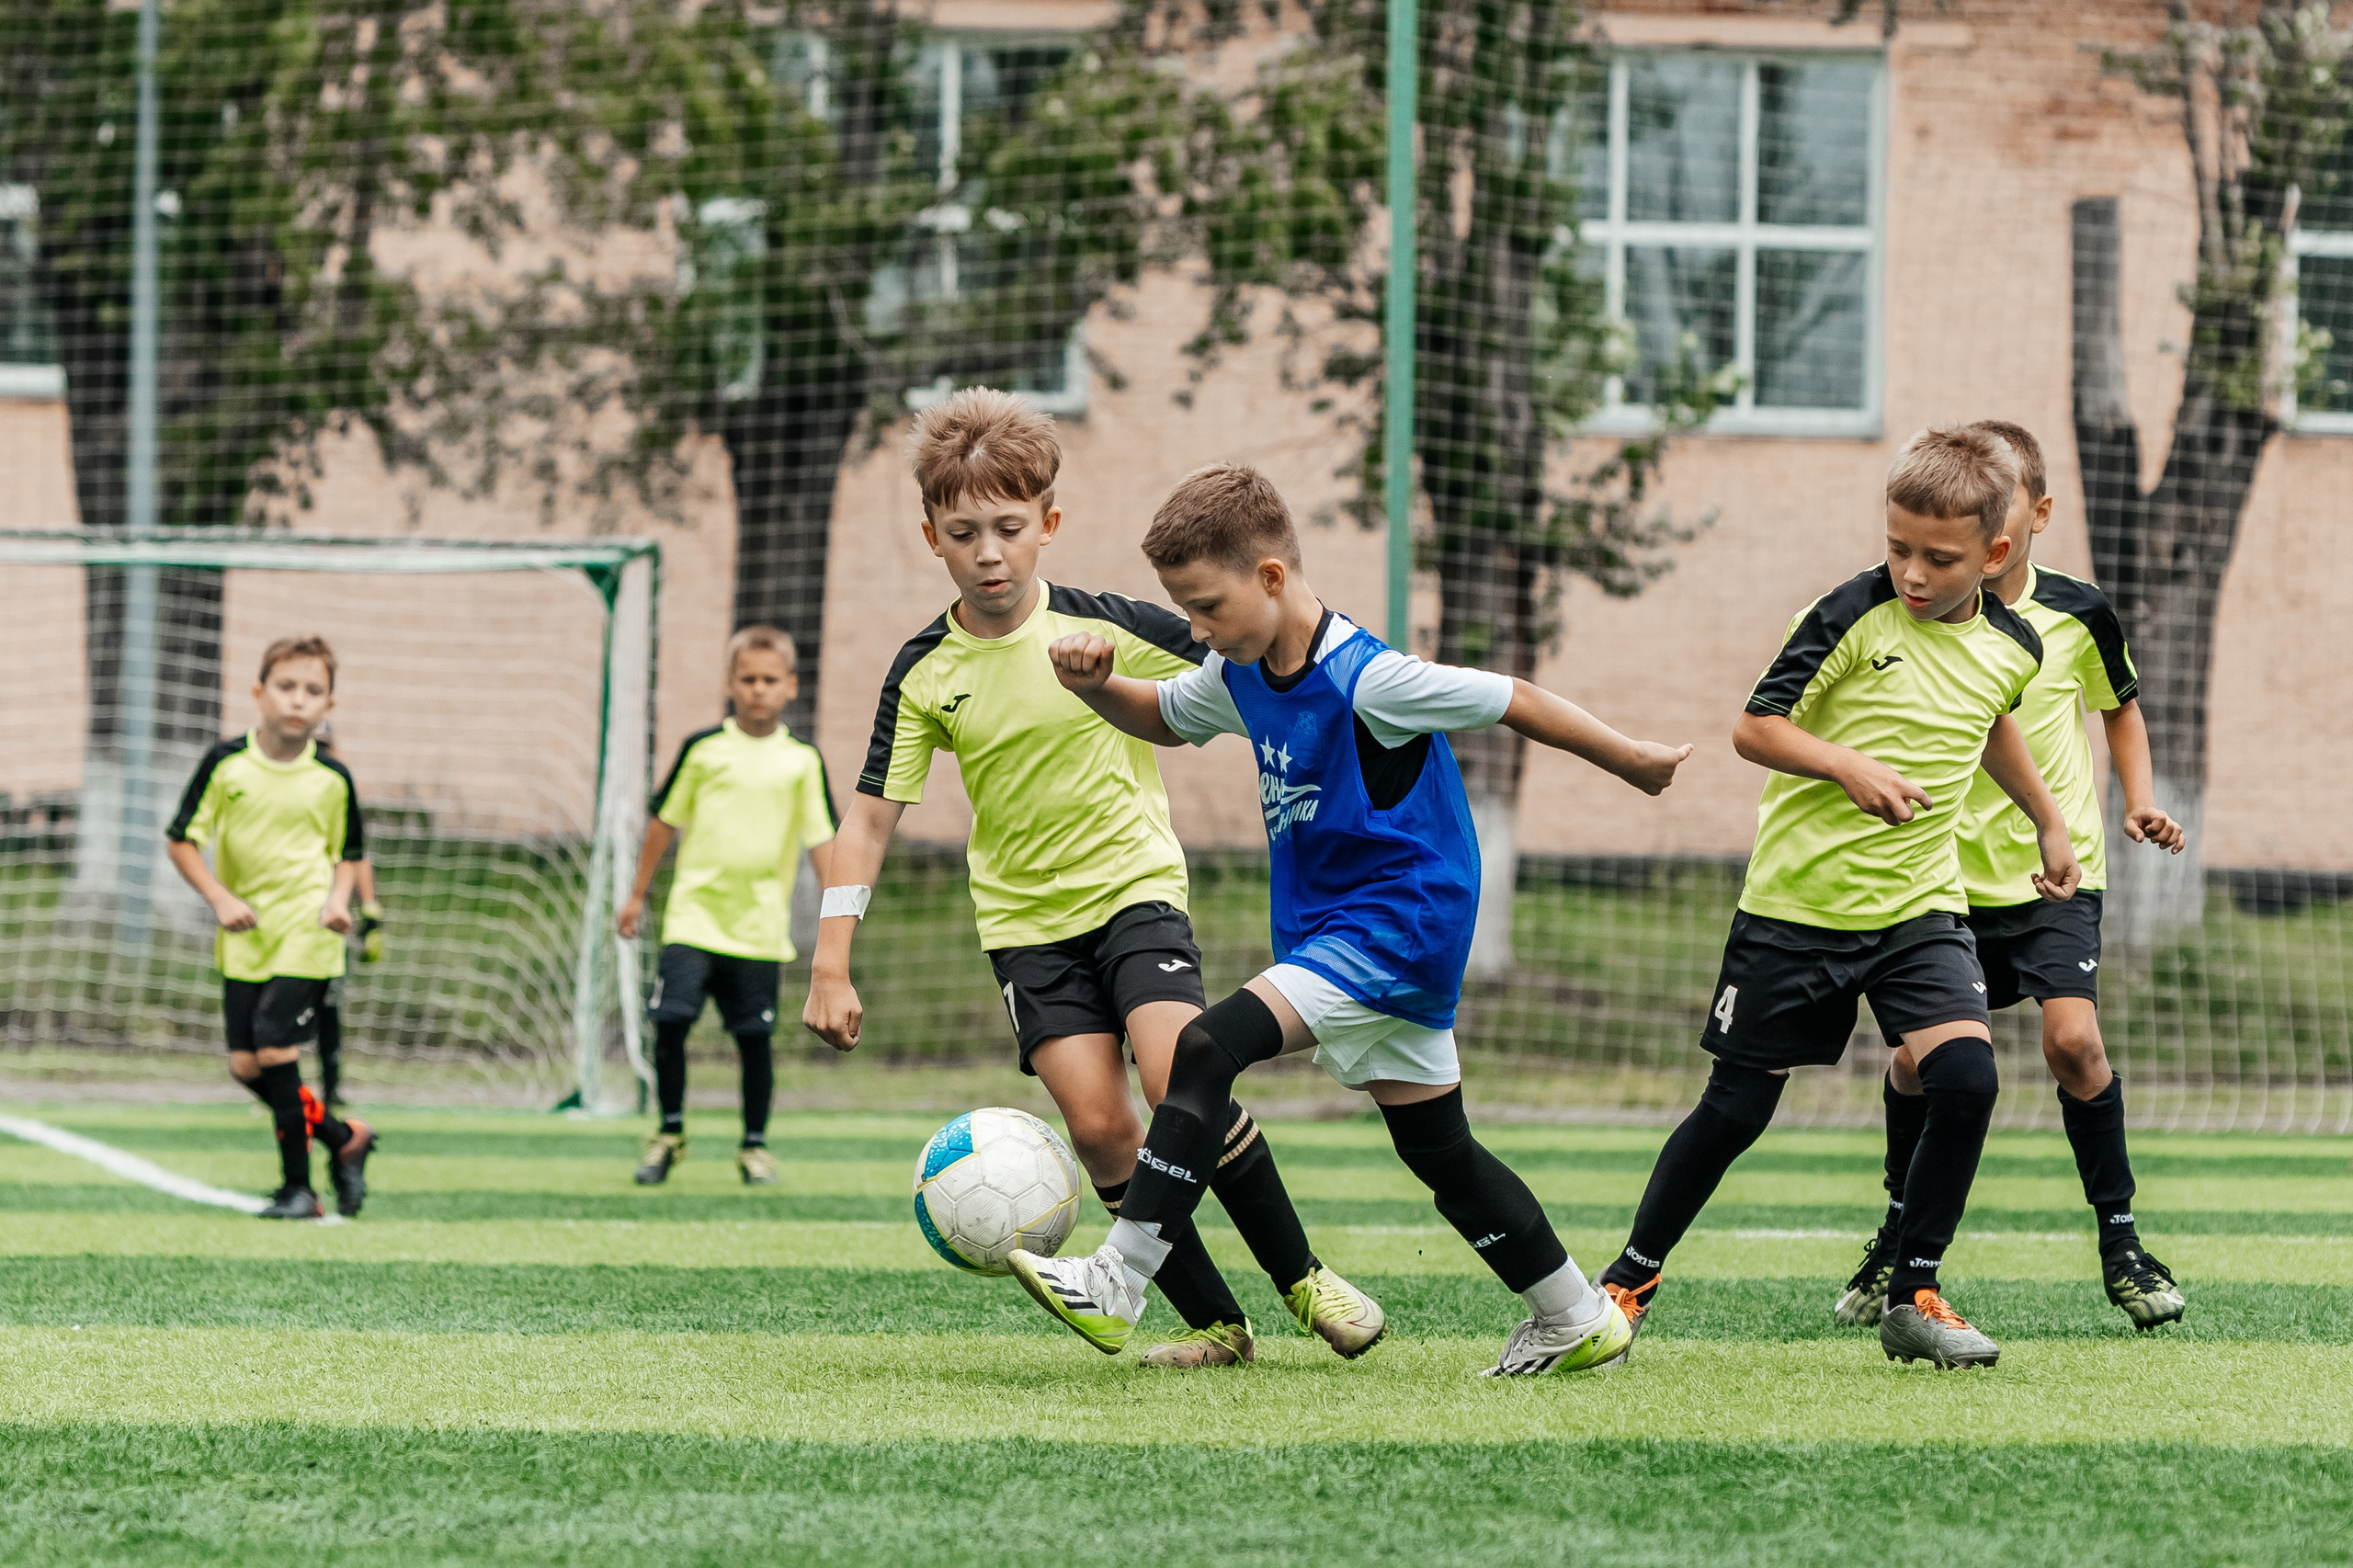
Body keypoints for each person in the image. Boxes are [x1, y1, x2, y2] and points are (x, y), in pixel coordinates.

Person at [1004, 461, 1693, 1377]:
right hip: (1344, 929)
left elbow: (1513, 697)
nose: (1196, 628)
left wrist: (1633, 758)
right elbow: (1167, 715)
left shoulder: (1370, 679)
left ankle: (1120, 1277)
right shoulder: (1242, 668)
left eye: (1206, 605)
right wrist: (1095, 684)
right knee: (1441, 1153)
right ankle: (1574, 1314)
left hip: (1397, 921)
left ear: (1272, 577)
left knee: (1206, 1048)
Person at [806, 392, 1379, 1369]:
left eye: (1009, 527)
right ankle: (1212, 1323)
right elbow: (866, 821)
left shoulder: (1106, 625)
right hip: (1026, 925)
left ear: (1049, 525)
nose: (990, 550)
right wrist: (830, 963)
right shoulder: (922, 672)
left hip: (1133, 892)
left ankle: (1301, 1275)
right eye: (964, 532)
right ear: (932, 539)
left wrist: (1353, 698)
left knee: (1174, 1070)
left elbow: (1254, 645)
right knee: (1102, 1125)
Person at [1594, 426, 2082, 1371]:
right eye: (1896, 546)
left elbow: (1992, 724)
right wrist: (1843, 763)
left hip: (1918, 907)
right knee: (1735, 1108)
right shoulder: (1849, 612)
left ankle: (1915, 1289)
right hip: (1797, 906)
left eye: (1936, 558)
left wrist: (2047, 820)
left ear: (1994, 552)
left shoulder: (2013, 643)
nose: (1909, 570)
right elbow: (1754, 726)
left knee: (1967, 1076)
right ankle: (1627, 1280)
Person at [1834, 419, 2188, 1334]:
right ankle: (1897, 1235)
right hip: (1939, 876)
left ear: (2029, 514)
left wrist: (2136, 800)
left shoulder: (2077, 611)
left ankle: (2122, 1242)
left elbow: (2122, 710)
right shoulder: (1913, 614)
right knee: (1919, 1061)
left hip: (2053, 873)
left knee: (2072, 1043)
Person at [165, 635, 381, 1220]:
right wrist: (218, 897)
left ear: (329, 705)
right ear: (260, 694)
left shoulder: (334, 778)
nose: (298, 700)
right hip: (244, 931)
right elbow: (181, 840)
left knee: (274, 1045)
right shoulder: (225, 763)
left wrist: (341, 900)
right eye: (286, 687)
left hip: (309, 931)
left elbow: (349, 851)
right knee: (246, 1066)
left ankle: (299, 1191)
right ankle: (343, 1138)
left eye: (314, 691)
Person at [619, 626, 838, 1187]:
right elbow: (663, 823)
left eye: (770, 680)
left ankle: (754, 1146)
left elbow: (823, 845)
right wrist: (637, 895)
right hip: (693, 919)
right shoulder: (703, 749)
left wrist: (839, 920)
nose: (758, 690)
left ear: (790, 686)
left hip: (758, 929)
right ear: (730, 685)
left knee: (753, 1038)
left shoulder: (802, 762)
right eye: (748, 679)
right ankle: (668, 1133)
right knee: (670, 1022)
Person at [309, 720, 384, 1109]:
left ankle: (331, 1086)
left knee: (326, 1004)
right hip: (288, 910)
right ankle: (281, 1082)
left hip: (328, 915)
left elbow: (357, 853)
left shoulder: (338, 789)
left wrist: (369, 909)